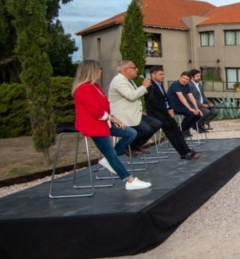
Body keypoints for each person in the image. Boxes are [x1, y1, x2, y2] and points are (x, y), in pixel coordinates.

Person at [72, 60, 151, 190]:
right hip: (93, 125)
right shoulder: (83, 88)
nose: (101, 72)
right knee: (110, 153)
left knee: (130, 133)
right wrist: (110, 118)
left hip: (103, 122)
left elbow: (103, 106)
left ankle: (108, 160)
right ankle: (129, 180)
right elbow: (94, 110)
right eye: (99, 69)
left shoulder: (95, 87)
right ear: (91, 71)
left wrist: (113, 118)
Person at [144, 66, 203, 160]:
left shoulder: (160, 84)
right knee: (172, 133)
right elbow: (154, 102)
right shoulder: (150, 86)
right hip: (157, 114)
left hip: (166, 112)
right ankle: (184, 153)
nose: (163, 76)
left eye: (163, 74)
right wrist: (167, 110)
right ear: (153, 74)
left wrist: (170, 108)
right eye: (160, 74)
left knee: (177, 132)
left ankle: (186, 151)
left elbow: (165, 98)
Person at [108, 60, 161, 155]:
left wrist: (140, 110)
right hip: (123, 116)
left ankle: (135, 145)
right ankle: (124, 147)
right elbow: (131, 96)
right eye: (134, 68)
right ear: (125, 70)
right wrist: (144, 87)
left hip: (133, 113)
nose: (136, 70)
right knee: (145, 129)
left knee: (156, 123)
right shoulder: (118, 81)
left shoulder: (129, 80)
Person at [167, 71, 202, 137]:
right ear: (180, 77)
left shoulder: (187, 86)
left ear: (189, 80)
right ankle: (179, 131)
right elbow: (181, 97)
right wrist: (190, 108)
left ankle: (184, 129)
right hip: (173, 105)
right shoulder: (175, 84)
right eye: (184, 78)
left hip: (181, 105)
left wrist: (197, 108)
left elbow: (191, 97)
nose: (185, 80)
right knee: (190, 114)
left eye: (187, 79)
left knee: (198, 114)